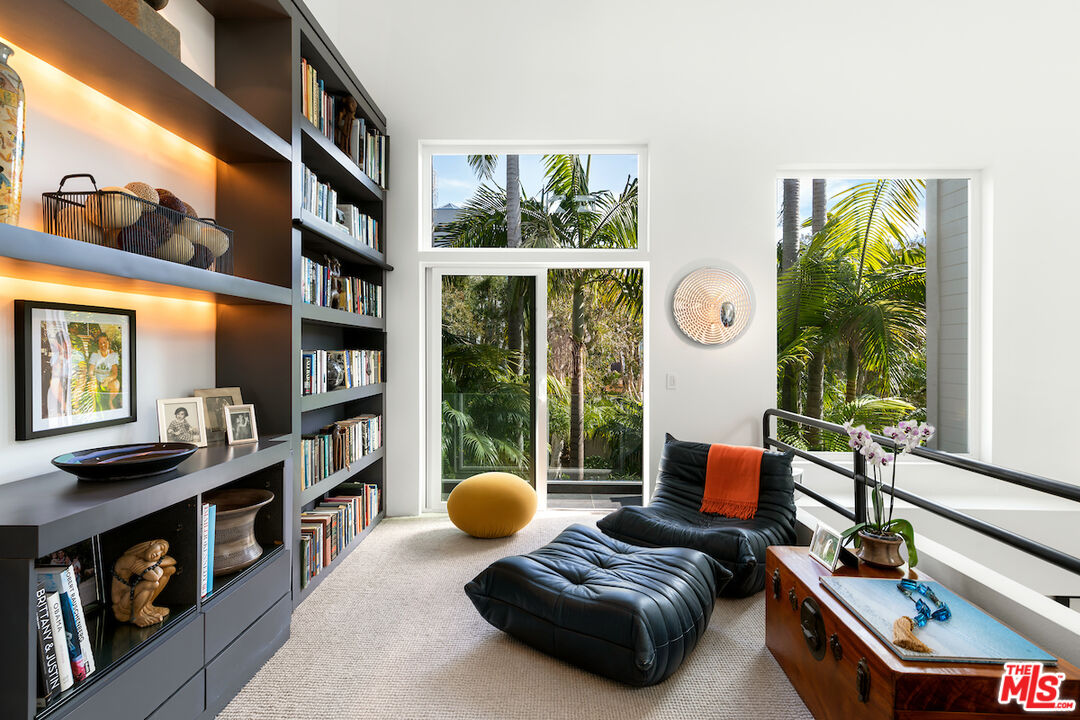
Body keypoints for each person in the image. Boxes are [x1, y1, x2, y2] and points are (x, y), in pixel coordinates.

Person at [87, 332, 121, 411]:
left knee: (116, 383)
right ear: (98, 344)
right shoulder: (95, 355)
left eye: (105, 342)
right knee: (91, 385)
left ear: (108, 342)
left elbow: (115, 373)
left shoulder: (113, 355)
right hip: (97, 381)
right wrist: (93, 379)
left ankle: (110, 402)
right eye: (100, 343)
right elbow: (91, 371)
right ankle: (94, 406)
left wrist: (108, 379)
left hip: (107, 381)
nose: (103, 345)